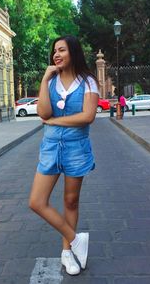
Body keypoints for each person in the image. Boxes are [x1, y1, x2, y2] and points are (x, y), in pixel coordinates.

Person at [29, 35, 99, 275]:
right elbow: (43, 112)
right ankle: (76, 239)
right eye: (54, 51)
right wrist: (44, 78)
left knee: (71, 201)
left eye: (62, 50)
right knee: (37, 202)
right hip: (50, 147)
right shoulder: (50, 81)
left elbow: (87, 116)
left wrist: (55, 122)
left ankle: (67, 252)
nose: (56, 54)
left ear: (73, 53)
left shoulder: (88, 81)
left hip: (76, 148)